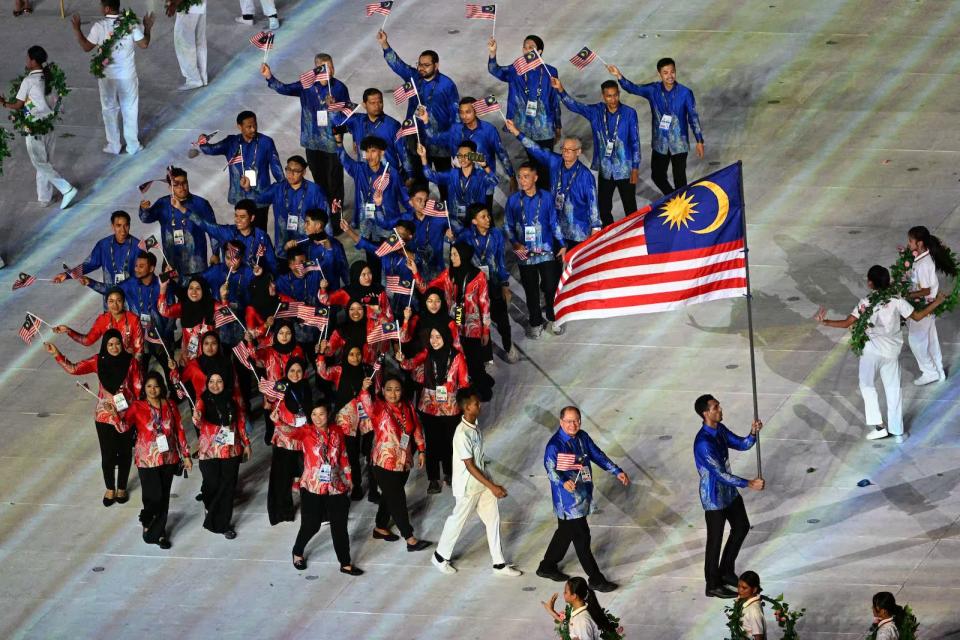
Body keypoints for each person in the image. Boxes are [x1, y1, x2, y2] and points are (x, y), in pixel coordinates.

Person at [815, 265, 945, 441]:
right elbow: (918, 316)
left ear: (870, 283)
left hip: (871, 353)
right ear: (887, 281)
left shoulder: (866, 302)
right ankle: (898, 432)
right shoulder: (897, 300)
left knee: (867, 385)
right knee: (893, 390)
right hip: (892, 353)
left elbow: (847, 323)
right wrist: (937, 302)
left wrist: (825, 322)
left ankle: (879, 426)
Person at [45, 330, 142, 506]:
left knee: (125, 452)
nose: (114, 347)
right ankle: (110, 488)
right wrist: (57, 354)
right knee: (108, 454)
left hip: (126, 415)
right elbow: (74, 369)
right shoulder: (98, 361)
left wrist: (136, 414)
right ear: (105, 345)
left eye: (117, 343)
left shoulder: (131, 362)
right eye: (110, 344)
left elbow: (138, 389)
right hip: (104, 416)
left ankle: (121, 487)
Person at [537, 406, 628, 592]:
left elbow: (597, 455)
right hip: (568, 501)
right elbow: (551, 469)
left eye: (577, 420)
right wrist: (563, 482)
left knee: (564, 534)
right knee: (581, 537)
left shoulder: (582, 437)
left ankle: (547, 566)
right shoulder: (555, 445)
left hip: (583, 493)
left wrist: (616, 471)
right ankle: (595, 578)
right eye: (569, 421)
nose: (573, 424)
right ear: (561, 422)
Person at [432, 388, 521, 576]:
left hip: (481, 483)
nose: (479, 406)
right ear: (466, 407)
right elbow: (470, 466)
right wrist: (493, 486)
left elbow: (479, 461)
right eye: (475, 403)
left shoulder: (475, 426)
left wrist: (490, 483)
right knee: (457, 520)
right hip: (467, 486)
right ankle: (439, 557)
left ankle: (499, 563)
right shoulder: (462, 434)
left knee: (493, 519)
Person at [692, 394, 764, 598]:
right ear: (706, 413)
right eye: (716, 407)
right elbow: (720, 474)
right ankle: (712, 584)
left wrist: (752, 433)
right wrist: (749, 483)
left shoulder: (719, 429)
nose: (720, 409)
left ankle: (726, 570)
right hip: (714, 497)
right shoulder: (703, 443)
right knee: (714, 541)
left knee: (741, 526)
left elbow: (742, 444)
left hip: (729, 492)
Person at [261, 54, 349, 218]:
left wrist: (334, 109)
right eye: (324, 68)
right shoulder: (306, 86)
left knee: (334, 182)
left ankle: (337, 220)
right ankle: (323, 216)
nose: (330, 71)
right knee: (320, 182)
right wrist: (269, 77)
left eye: (331, 66)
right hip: (312, 143)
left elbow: (346, 116)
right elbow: (285, 89)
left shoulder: (339, 88)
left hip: (332, 144)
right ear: (316, 70)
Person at [377, 29, 460, 193]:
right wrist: (384, 44)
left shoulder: (447, 85)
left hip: (440, 143)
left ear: (436, 65)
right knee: (420, 183)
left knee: (444, 184)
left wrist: (455, 144)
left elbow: (455, 116)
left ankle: (445, 215)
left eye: (426, 65)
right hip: (417, 140)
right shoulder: (414, 78)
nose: (421, 68)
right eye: (419, 64)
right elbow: (397, 65)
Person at [551, 76, 639, 227]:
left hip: (625, 169)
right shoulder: (596, 112)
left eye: (615, 95)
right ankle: (611, 236)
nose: (613, 99)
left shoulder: (629, 113)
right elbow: (574, 106)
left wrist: (635, 167)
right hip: (605, 170)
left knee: (630, 208)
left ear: (619, 93)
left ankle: (634, 238)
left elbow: (635, 141)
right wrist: (560, 90)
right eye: (609, 96)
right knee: (604, 209)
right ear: (603, 96)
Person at [608, 58, 704, 195]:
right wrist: (619, 76)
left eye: (672, 72)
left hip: (679, 144)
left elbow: (693, 117)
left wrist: (699, 140)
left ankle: (682, 208)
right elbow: (633, 88)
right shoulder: (653, 90)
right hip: (660, 143)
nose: (669, 76)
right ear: (659, 74)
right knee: (657, 176)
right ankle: (673, 199)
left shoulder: (685, 93)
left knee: (680, 180)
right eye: (665, 73)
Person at [118, 372, 191, 549]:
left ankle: (159, 532)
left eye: (156, 386)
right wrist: (116, 415)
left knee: (164, 496)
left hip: (169, 457)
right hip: (147, 459)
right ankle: (147, 520)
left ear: (162, 387)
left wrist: (186, 455)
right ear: (144, 388)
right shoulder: (137, 406)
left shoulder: (170, 405)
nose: (152, 389)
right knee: (152, 496)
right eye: (149, 386)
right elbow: (123, 427)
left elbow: (179, 430)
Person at [410, 242, 492, 398]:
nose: (452, 257)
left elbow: (484, 303)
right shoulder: (448, 274)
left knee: (474, 360)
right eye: (451, 254)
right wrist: (415, 273)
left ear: (464, 255)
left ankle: (484, 389)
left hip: (472, 327)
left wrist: (486, 330)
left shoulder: (478, 276)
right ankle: (464, 389)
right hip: (452, 326)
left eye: (455, 254)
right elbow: (426, 289)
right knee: (458, 360)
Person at [359, 375, 431, 552]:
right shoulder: (378, 408)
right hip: (383, 463)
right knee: (398, 499)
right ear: (383, 391)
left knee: (389, 496)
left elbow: (417, 429)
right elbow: (366, 404)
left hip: (404, 461)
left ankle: (380, 527)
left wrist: (421, 450)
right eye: (389, 389)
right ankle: (410, 538)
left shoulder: (408, 407)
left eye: (397, 389)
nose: (393, 393)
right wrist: (364, 389)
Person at [71, 1, 153, 155]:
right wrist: (147, 27)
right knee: (130, 109)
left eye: (101, 6)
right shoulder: (131, 24)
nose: (100, 9)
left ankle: (114, 145)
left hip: (107, 76)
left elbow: (86, 47)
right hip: (127, 75)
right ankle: (133, 146)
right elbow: (144, 44)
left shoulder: (99, 26)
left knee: (109, 109)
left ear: (107, 8)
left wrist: (77, 29)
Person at [0, 46, 77, 208]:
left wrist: (4, 103)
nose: (26, 61)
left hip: (34, 127)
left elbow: (19, 105)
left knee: (39, 163)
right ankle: (44, 197)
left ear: (34, 61)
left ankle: (66, 189)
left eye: (28, 58)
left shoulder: (28, 81)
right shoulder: (49, 77)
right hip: (49, 125)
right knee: (46, 161)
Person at [290, 404, 363, 575]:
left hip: (335, 485)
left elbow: (343, 456)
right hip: (312, 486)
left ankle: (345, 563)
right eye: (313, 414)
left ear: (328, 414)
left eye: (321, 414)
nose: (317, 418)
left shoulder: (336, 431)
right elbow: (288, 432)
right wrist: (277, 419)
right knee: (311, 525)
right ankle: (297, 550)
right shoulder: (305, 431)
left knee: (340, 526)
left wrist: (350, 478)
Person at [504, 119, 600, 249]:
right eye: (563, 149)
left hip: (578, 233)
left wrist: (595, 229)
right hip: (557, 228)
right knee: (557, 262)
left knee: (576, 266)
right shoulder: (555, 161)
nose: (565, 152)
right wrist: (516, 132)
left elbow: (592, 204)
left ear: (578, 152)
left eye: (569, 150)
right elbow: (535, 149)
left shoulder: (585, 176)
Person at [397, 324, 469, 493]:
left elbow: (464, 383)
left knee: (450, 442)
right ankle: (434, 479)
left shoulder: (457, 357)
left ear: (445, 337)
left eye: (438, 337)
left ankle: (450, 473)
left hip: (451, 408)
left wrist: (466, 407)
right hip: (429, 407)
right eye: (432, 337)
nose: (434, 341)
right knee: (433, 442)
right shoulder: (426, 353)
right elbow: (409, 364)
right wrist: (401, 359)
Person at [487, 35, 561, 190]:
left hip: (545, 129)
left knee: (545, 166)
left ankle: (546, 198)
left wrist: (558, 126)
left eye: (530, 47)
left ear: (539, 51)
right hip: (523, 127)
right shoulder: (516, 70)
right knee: (532, 163)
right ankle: (533, 197)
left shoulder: (550, 71)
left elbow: (555, 101)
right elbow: (495, 70)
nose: (526, 50)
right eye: (524, 47)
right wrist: (493, 54)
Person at [419, 96, 516, 209]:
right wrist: (426, 121)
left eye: (468, 112)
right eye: (461, 112)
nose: (464, 116)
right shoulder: (455, 129)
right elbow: (435, 138)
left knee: (485, 213)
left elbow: (501, 153)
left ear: (476, 111)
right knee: (464, 216)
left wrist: (512, 176)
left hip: (483, 182)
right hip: (460, 183)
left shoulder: (489, 130)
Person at [504, 162, 566, 338]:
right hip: (524, 253)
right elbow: (508, 226)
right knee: (530, 290)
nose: (522, 181)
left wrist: (561, 244)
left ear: (535, 177)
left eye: (526, 176)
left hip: (546, 251)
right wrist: (515, 243)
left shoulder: (547, 198)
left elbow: (554, 223)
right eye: (520, 177)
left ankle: (554, 318)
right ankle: (536, 321)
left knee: (550, 286)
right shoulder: (514, 200)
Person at [336, 135, 410, 283]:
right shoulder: (359, 169)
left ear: (382, 152)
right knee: (371, 258)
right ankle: (375, 288)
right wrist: (339, 143)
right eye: (367, 152)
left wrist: (412, 213)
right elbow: (344, 160)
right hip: (367, 224)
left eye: (373, 151)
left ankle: (388, 290)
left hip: (387, 223)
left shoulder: (392, 173)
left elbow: (404, 197)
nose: (369, 156)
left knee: (387, 258)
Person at [198, 110, 283, 230]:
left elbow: (276, 167)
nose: (253, 129)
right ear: (239, 127)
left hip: (260, 197)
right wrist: (203, 142)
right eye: (249, 126)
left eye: (255, 125)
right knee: (243, 231)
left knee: (259, 232)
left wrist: (283, 188)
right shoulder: (231, 142)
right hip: (240, 196)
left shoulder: (266, 142)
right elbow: (210, 150)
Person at [193, 373, 250, 538]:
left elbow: (240, 421)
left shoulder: (233, 399)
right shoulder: (202, 400)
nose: (215, 385)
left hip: (230, 449)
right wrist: (196, 417)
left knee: (227, 486)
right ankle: (209, 506)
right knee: (212, 484)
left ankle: (223, 524)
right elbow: (198, 421)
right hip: (209, 450)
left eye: (219, 381)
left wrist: (247, 443)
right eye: (211, 381)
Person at [458, 204, 516, 363]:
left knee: (502, 319)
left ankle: (508, 346)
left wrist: (505, 285)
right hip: (475, 288)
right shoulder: (465, 237)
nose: (488, 219)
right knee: (481, 321)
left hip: (494, 283)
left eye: (488, 216)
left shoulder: (496, 234)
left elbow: (501, 260)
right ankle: (486, 355)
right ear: (474, 221)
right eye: (483, 217)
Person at [318, 344, 375, 501]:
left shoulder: (367, 369)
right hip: (346, 418)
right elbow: (323, 372)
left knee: (370, 452)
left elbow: (376, 390)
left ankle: (373, 489)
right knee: (352, 454)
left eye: (358, 354)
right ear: (345, 355)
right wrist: (321, 354)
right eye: (351, 354)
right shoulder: (338, 370)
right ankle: (356, 485)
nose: (355, 357)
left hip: (366, 417)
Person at [140, 167, 219, 277]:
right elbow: (145, 219)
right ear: (170, 188)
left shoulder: (201, 204)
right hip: (171, 265)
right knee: (172, 293)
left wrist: (215, 253)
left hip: (196, 263)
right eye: (176, 185)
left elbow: (213, 230)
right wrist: (144, 209)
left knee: (196, 293)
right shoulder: (163, 204)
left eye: (184, 183)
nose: (182, 187)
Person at [253, 156, 328, 262]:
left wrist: (327, 245)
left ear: (303, 172)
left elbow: (324, 220)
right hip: (282, 250)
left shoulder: (315, 191)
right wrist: (248, 188)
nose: (291, 174)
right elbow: (258, 199)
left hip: (306, 250)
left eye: (296, 171)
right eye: (288, 170)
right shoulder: (277, 188)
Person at [904, 226, 954, 385]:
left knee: (915, 341)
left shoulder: (923, 264)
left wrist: (907, 295)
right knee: (931, 340)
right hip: (929, 305)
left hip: (924, 306)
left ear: (919, 243)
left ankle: (929, 372)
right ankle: (939, 371)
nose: (908, 244)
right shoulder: (923, 258)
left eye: (910, 241)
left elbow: (925, 291)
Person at [333, 87, 412, 182]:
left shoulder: (393, 125)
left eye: (380, 102)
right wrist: (332, 106)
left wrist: (410, 176)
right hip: (365, 178)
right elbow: (336, 120)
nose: (377, 106)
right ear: (364, 104)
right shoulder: (357, 121)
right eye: (372, 103)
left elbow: (403, 153)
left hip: (388, 179)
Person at [418, 141, 499, 233]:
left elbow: (495, 181)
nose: (462, 159)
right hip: (456, 221)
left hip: (476, 221)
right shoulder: (453, 174)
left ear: (473, 156)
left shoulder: (481, 175)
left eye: (466, 155)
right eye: (459, 155)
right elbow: (430, 176)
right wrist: (423, 157)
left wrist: (485, 166)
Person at [267, 358, 312, 525]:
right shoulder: (281, 387)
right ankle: (282, 512)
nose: (295, 374)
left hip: (302, 438)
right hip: (284, 440)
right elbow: (271, 401)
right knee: (281, 478)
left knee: (306, 474)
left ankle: (314, 510)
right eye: (291, 371)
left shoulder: (305, 386)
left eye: (299, 371)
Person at [55, 211, 139, 295]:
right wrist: (67, 275)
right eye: (118, 226)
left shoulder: (138, 247)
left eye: (126, 225)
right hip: (111, 299)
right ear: (112, 226)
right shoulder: (103, 245)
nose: (123, 230)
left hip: (133, 297)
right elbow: (89, 265)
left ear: (129, 226)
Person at [252, 319, 304, 445]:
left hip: (291, 390)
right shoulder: (269, 350)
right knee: (270, 414)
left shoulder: (297, 350)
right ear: (275, 334)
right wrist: (249, 341)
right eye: (281, 333)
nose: (284, 337)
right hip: (272, 392)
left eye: (288, 333)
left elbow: (301, 370)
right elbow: (254, 356)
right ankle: (270, 432)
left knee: (290, 416)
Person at [53, 287, 143, 356]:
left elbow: (138, 349)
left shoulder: (133, 319)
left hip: (129, 362)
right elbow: (88, 341)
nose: (115, 305)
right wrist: (68, 330)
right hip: (109, 363)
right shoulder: (103, 320)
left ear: (123, 302)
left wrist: (134, 369)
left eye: (118, 301)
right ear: (107, 303)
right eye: (111, 301)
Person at [158, 275, 219, 362]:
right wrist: (163, 289)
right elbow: (163, 311)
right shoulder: (183, 306)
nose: (194, 291)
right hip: (189, 358)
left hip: (211, 356)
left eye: (198, 288)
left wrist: (224, 299)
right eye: (191, 288)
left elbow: (228, 314)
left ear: (204, 290)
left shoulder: (213, 305)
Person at [541, 577, 619, 640]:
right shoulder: (578, 608)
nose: (563, 593)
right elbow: (569, 624)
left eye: (565, 592)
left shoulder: (582, 621)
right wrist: (552, 612)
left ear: (574, 596)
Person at [166, 0, 207, 91]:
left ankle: (194, 79)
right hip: (199, 4)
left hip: (189, 7)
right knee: (199, 39)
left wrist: (174, 4)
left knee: (184, 43)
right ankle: (202, 76)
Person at [736, 570, 766, 640]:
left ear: (754, 589)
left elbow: (758, 636)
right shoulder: (745, 601)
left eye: (744, 588)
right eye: (738, 586)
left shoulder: (753, 610)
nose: (740, 590)